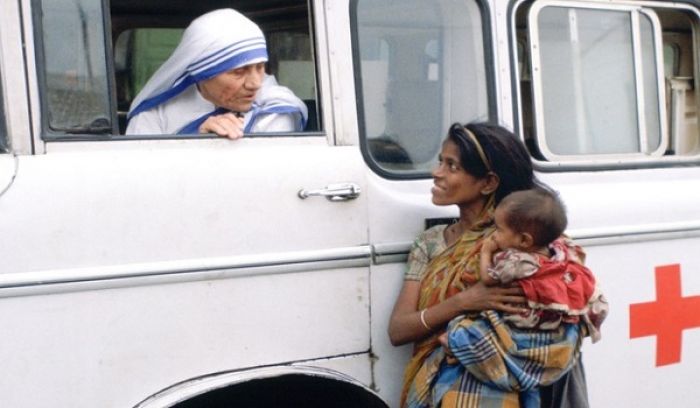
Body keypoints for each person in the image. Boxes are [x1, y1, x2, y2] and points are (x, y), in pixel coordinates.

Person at [388, 122, 600, 408]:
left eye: (452, 166)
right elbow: (399, 330)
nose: (436, 173)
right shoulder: (429, 244)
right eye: (440, 161)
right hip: (439, 390)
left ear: (488, 183)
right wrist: (465, 301)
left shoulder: (531, 247)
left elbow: (561, 323)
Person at [126, 8, 307, 138]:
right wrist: (197, 142)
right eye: (239, 71)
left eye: (260, 67)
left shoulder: (275, 107)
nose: (255, 83)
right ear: (203, 72)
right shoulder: (153, 113)